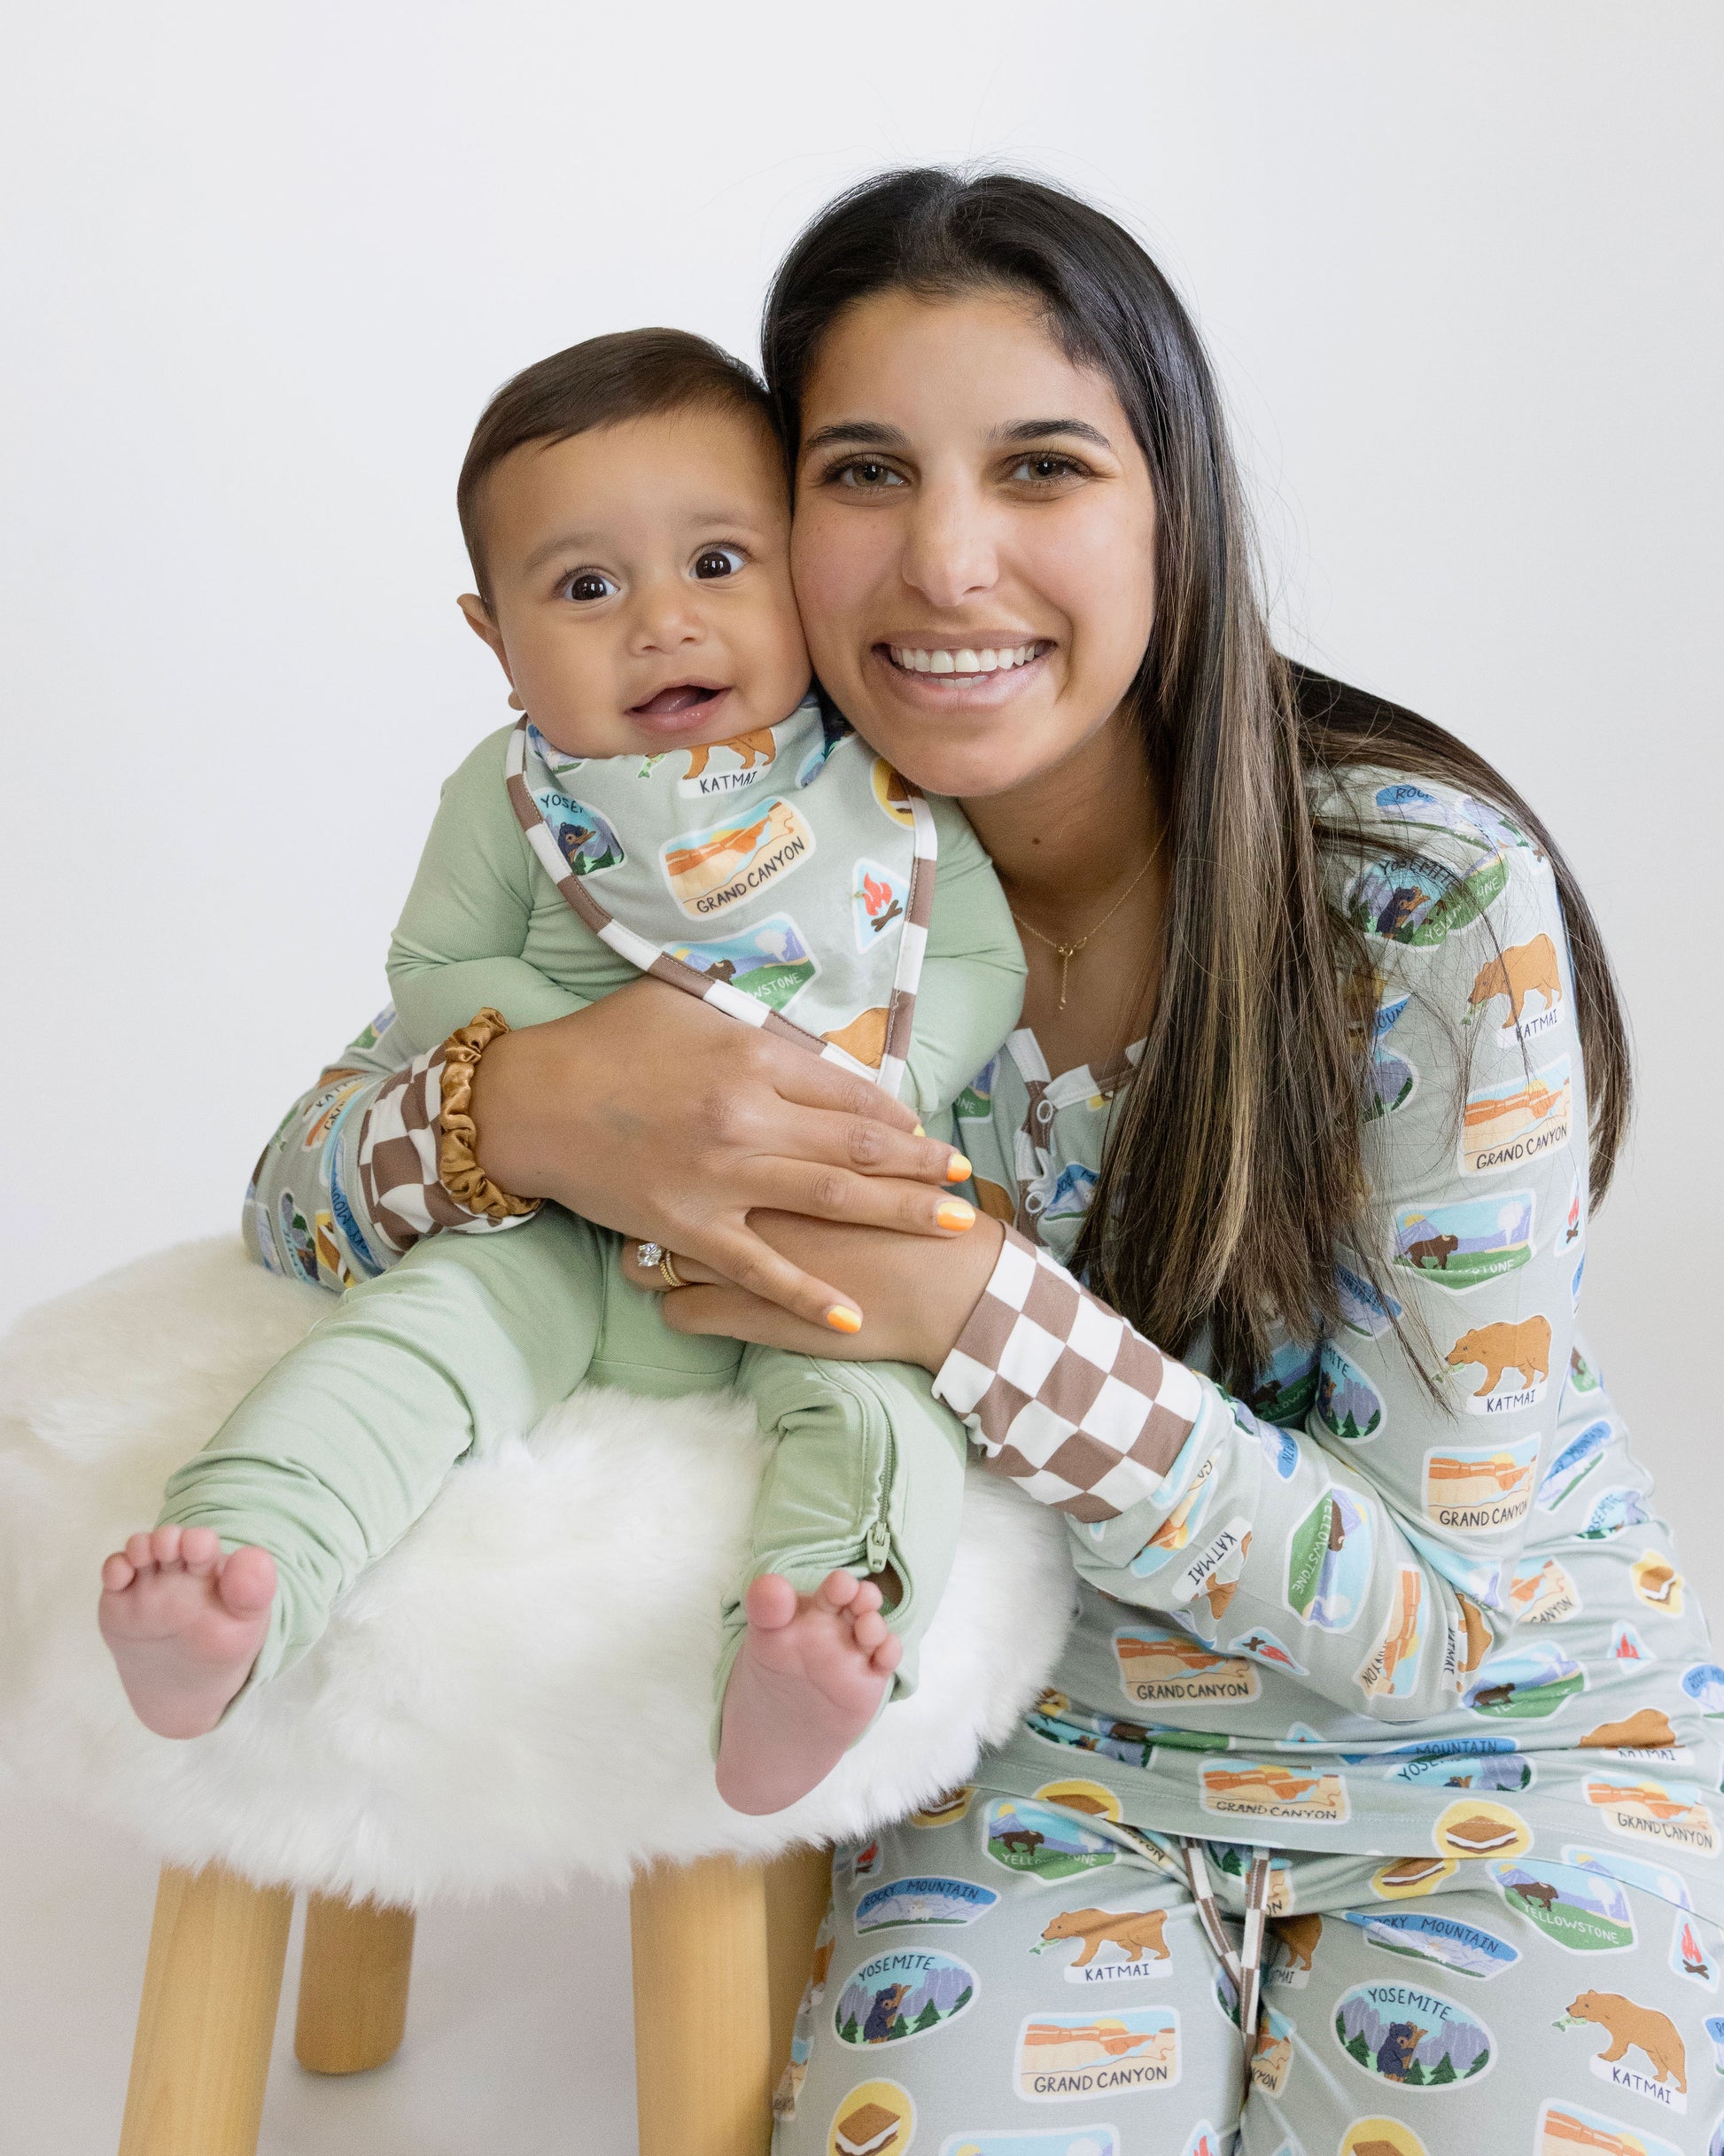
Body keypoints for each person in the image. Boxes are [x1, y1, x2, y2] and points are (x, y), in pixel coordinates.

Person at [115, 167, 1721, 2151]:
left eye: (1041, 466)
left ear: (1171, 512)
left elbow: (1430, 1615)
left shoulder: (1420, 905)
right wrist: (531, 1104)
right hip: (1023, 1776)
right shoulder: (730, 855)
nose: (948, 561)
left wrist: (971, 1311)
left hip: (1499, 1769)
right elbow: (289, 1190)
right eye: (866, 471)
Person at [95, 327, 1027, 1817]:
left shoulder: (873, 784)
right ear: (493, 634)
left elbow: (971, 959)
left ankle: (822, 1641)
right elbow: (431, 974)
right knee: (413, 1344)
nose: (663, 623)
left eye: (719, 563)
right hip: (553, 1233)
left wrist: (885, 1091)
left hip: (808, 1224)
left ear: (799, 566)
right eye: (587, 588)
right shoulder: (513, 791)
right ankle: (240, 1571)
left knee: (878, 1415)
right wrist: (588, 1051)